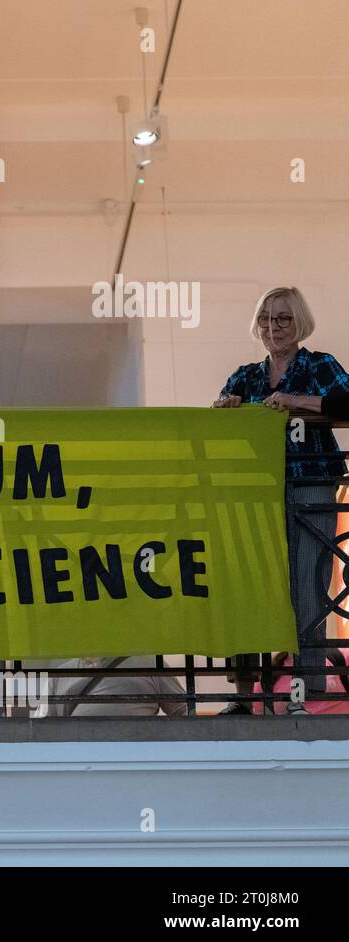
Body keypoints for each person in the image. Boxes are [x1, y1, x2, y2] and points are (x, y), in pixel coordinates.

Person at [212, 286, 347, 715]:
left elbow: (346, 403)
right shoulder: (245, 377)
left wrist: (295, 403)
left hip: (311, 486)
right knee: (250, 582)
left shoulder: (318, 366)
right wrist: (226, 410)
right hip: (256, 492)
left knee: (307, 583)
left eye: (283, 318)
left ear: (299, 322)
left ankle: (304, 691)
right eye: (267, 319)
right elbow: (219, 426)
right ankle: (244, 691)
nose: (274, 327)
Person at [46, 657, 187, 717]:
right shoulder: (59, 673)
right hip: (77, 760)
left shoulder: (149, 662)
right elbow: (47, 726)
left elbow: (184, 712)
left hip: (135, 759)